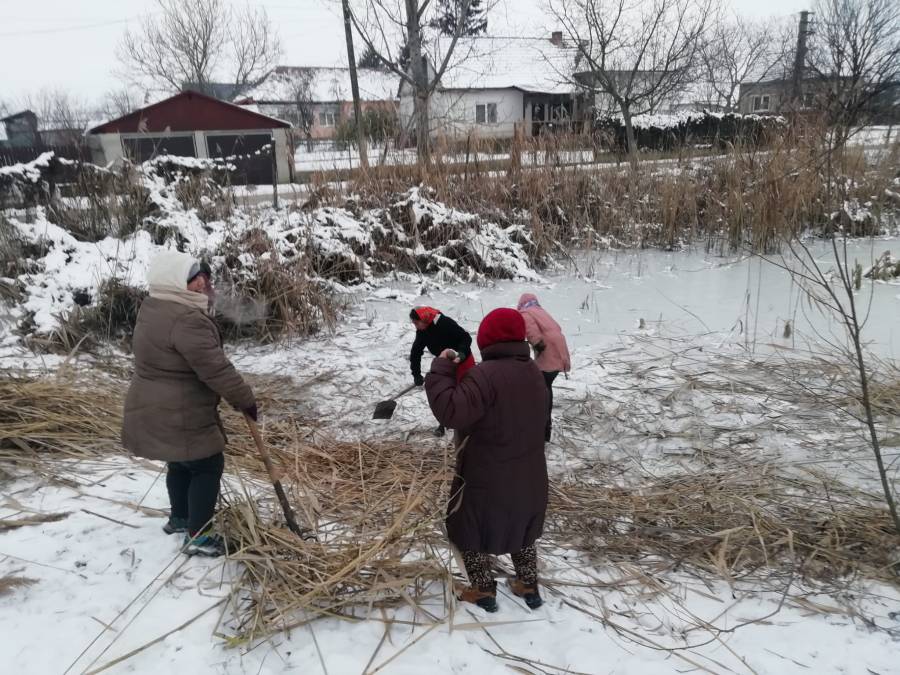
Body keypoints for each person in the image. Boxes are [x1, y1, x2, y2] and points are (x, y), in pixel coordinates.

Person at [122, 251, 256, 558]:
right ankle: (199, 535)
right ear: (175, 281)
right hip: (180, 409)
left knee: (180, 461)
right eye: (193, 279)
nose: (202, 284)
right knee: (207, 464)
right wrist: (245, 400)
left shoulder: (154, 307)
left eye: (202, 278)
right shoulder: (187, 320)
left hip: (153, 404)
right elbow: (216, 369)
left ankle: (180, 518)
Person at [425, 308, 548, 612]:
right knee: (521, 526)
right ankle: (528, 584)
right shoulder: (534, 372)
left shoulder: (484, 376)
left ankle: (482, 589)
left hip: (486, 475)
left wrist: (442, 368)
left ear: (486, 339)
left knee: (470, 528)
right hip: (529, 473)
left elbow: (451, 411)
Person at [409, 306, 474, 436]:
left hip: (462, 361)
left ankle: (470, 422)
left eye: (416, 323)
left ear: (424, 318)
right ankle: (443, 422)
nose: (415, 326)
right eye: (414, 323)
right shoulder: (422, 331)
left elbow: (466, 338)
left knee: (466, 393)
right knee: (443, 393)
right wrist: (416, 374)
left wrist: (461, 353)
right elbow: (416, 352)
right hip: (444, 365)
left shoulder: (444, 323)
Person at [517, 293, 571, 442]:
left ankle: (542, 429)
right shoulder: (541, 311)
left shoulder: (526, 313)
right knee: (546, 387)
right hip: (559, 350)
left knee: (542, 390)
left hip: (548, 352)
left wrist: (538, 346)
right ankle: (545, 428)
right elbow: (557, 328)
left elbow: (531, 331)